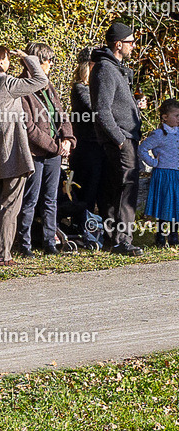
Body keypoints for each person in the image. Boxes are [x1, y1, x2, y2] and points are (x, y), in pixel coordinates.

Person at [0, 47, 47, 266]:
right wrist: (27, 58)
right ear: (0, 62)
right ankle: (3, 255)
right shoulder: (7, 83)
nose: (8, 63)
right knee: (10, 205)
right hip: (12, 153)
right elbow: (40, 80)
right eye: (6, 59)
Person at [17, 43, 75, 256]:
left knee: (51, 199)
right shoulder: (22, 86)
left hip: (54, 152)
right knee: (31, 199)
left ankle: (50, 241)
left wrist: (68, 138)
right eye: (46, 60)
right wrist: (56, 146)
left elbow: (61, 113)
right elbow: (29, 127)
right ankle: (25, 244)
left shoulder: (48, 85)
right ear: (34, 62)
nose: (50, 64)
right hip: (36, 153)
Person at [90, 21, 143, 256]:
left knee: (117, 189)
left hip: (125, 137)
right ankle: (122, 240)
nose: (133, 46)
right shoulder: (106, 69)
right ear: (119, 44)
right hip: (120, 139)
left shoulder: (115, 68)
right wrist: (119, 139)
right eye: (130, 42)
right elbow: (102, 110)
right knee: (126, 189)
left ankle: (115, 240)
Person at [68, 46, 106, 248]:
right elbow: (96, 109)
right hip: (85, 149)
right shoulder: (80, 88)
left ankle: (94, 230)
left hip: (98, 147)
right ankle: (84, 230)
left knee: (99, 190)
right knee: (86, 193)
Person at [138, 99, 179, 247]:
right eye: (176, 115)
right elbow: (142, 149)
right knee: (164, 204)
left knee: (176, 204)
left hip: (176, 174)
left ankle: (174, 235)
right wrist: (154, 163)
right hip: (164, 174)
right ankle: (160, 235)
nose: (178, 119)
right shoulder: (159, 134)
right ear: (165, 117)